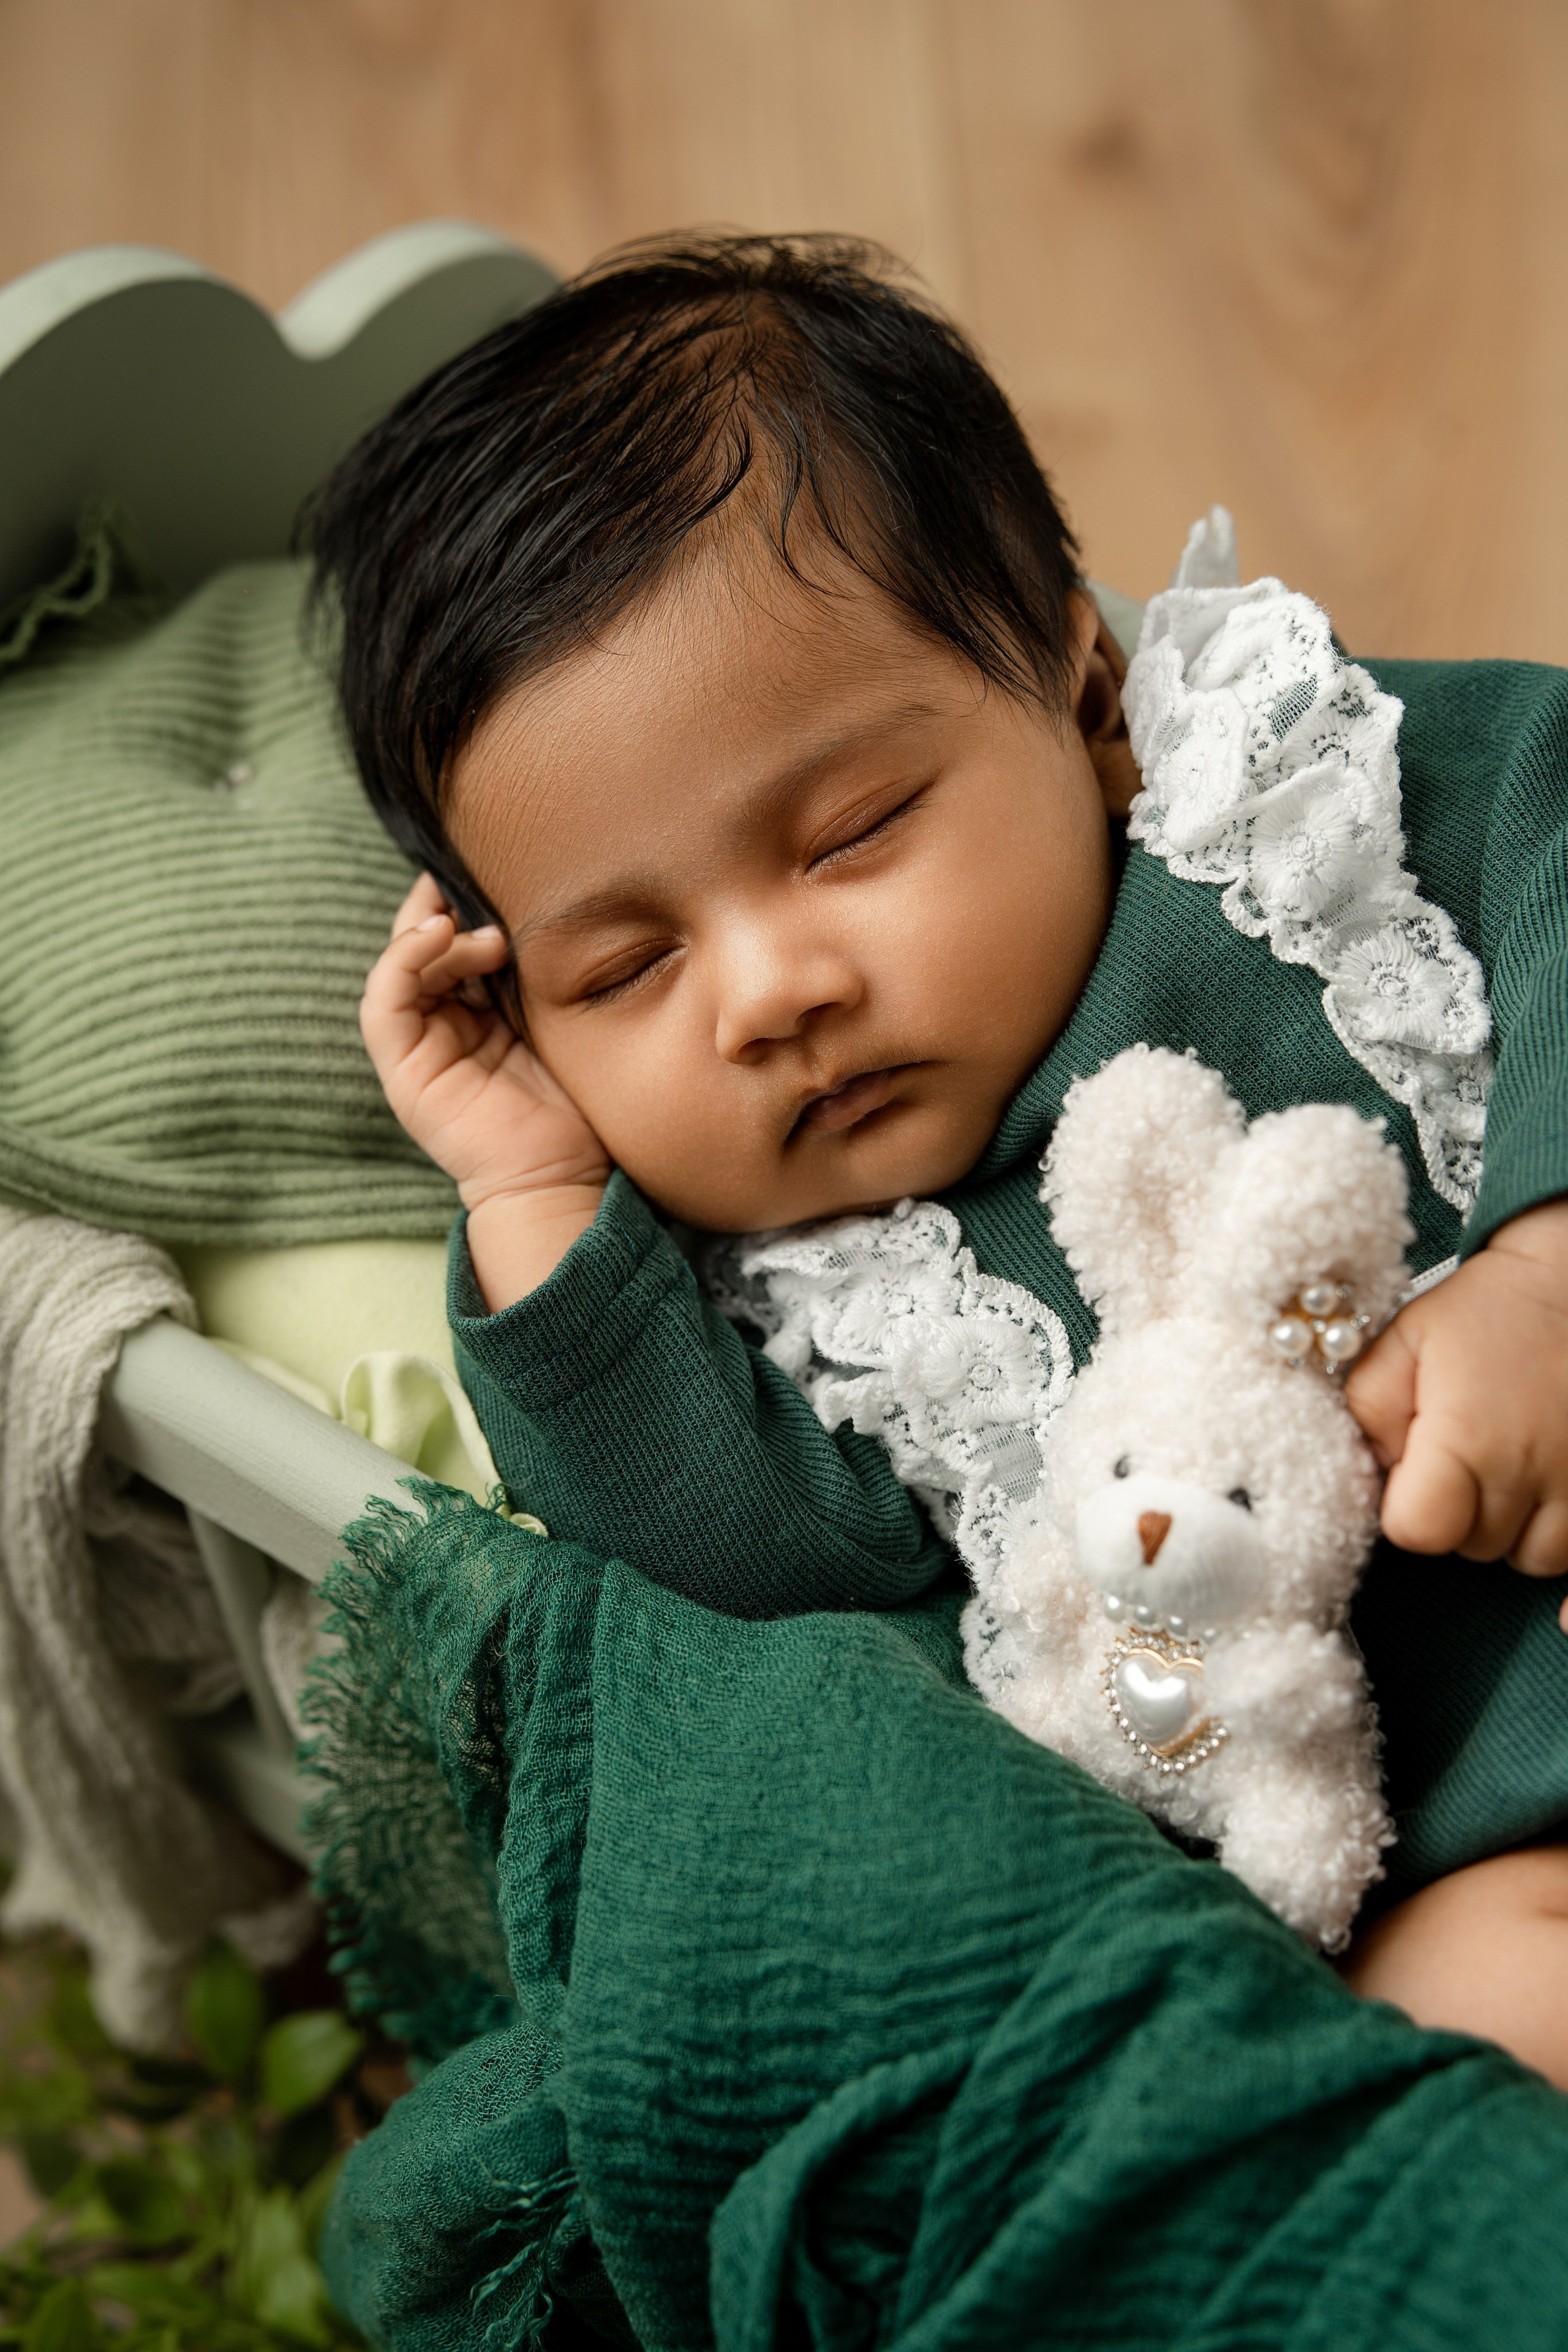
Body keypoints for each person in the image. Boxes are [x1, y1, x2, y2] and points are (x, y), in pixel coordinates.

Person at [309, 233, 1568, 2090]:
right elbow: (740, 1594)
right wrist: (530, 1190)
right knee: (1471, 2024)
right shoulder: (790, 1304)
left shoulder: (1285, 840)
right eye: (625, 968)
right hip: (1445, 1860)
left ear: (1085, 696)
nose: (765, 994)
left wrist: (1545, 1255)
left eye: (852, 832)